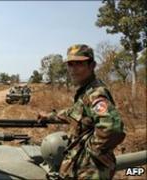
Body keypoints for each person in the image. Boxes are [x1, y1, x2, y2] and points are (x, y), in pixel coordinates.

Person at [38, 44, 125, 179]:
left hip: (91, 172)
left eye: (78, 64)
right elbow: (73, 113)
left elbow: (112, 129)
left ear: (92, 65)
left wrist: (89, 153)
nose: (73, 69)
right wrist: (48, 116)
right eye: (70, 64)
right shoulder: (86, 91)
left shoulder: (96, 93)